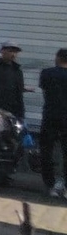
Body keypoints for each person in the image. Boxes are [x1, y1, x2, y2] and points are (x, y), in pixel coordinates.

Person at [37, 50, 67, 198]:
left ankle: (50, 184)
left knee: (46, 151)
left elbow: (45, 91)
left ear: (58, 58)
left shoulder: (47, 73)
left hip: (50, 116)